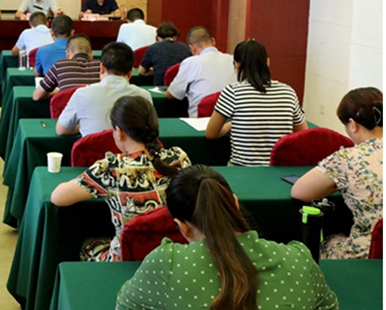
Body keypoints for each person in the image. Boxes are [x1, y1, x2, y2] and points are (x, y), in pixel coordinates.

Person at [116, 165, 340, 310]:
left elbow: (125, 306)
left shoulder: (167, 264)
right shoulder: (298, 260)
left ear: (182, 227)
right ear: (234, 202)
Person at [52, 95, 190, 262]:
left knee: (88, 244)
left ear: (119, 132)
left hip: (125, 259)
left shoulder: (111, 168)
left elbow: (58, 198)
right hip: (174, 256)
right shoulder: (179, 158)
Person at [292, 87, 383, 259]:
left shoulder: (348, 158)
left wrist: (334, 185)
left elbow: (300, 192)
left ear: (352, 125)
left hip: (367, 255)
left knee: (329, 240)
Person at [206, 39, 307, 166]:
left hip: (242, 168)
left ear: (237, 64)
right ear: (267, 62)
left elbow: (211, 133)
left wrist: (229, 126)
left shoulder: (233, 92)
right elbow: (302, 133)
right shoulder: (288, 92)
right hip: (280, 168)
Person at [56, 42, 153, 136]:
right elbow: (150, 131)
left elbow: (61, 130)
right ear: (131, 72)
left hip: (93, 147)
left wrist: (82, 126)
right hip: (129, 147)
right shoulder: (144, 96)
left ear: (101, 68)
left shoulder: (82, 94)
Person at [165, 26, 236, 118]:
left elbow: (172, 95)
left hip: (200, 120)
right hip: (232, 120)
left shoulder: (190, 62)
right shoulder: (233, 60)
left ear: (192, 48)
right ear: (213, 41)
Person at [32, 34, 101, 101]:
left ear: (68, 54)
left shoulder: (59, 66)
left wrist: (58, 92)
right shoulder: (101, 67)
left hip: (67, 108)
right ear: (91, 54)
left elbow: (36, 96)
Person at [138, 22, 192, 86]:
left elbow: (142, 72)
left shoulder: (153, 48)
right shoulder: (187, 48)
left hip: (160, 88)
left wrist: (157, 70)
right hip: (182, 88)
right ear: (175, 37)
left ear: (158, 38)